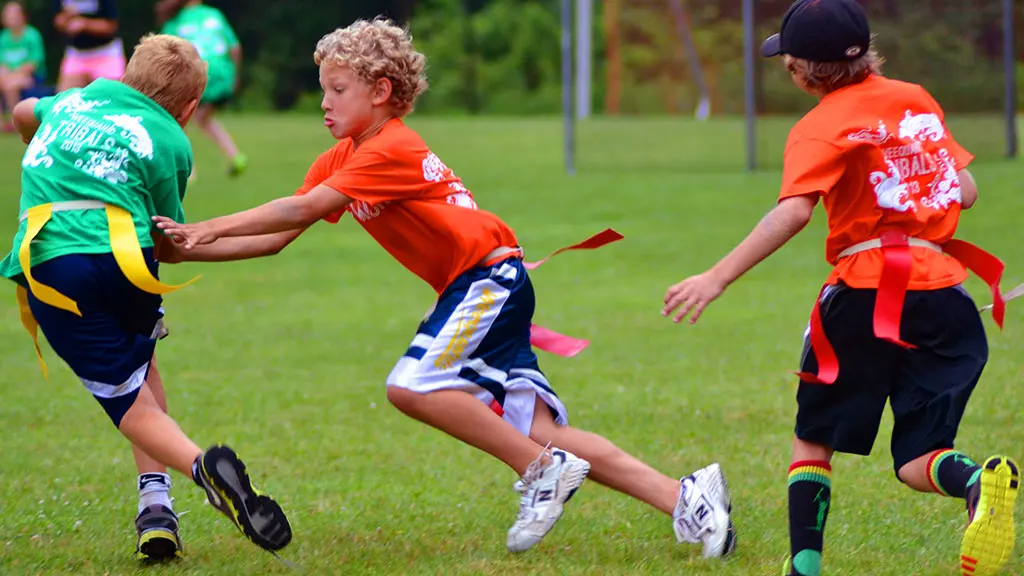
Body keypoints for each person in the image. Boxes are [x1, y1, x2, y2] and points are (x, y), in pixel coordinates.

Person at [153, 18, 736, 557]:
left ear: (380, 91)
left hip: (487, 281)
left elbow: (302, 205)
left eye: (337, 90)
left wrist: (202, 229)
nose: (324, 104)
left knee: (412, 385)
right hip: (485, 284)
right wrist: (183, 252)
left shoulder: (391, 145)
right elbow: (282, 234)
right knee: (540, 431)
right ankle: (688, 497)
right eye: (323, 89)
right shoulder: (344, 155)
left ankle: (541, 471)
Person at [660, 1, 1018, 575]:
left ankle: (804, 566)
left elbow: (794, 214)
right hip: (945, 294)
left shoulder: (819, 125)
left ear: (802, 71)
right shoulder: (916, 98)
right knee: (917, 458)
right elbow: (966, 190)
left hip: (866, 290)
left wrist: (716, 276)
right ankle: (976, 482)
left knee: (813, 438)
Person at [3, 33, 292, 561]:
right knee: (143, 360)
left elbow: (23, 111)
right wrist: (248, 246)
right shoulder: (173, 141)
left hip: (56, 259)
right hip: (128, 261)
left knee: (126, 401)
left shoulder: (77, 97)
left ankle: (202, 468)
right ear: (189, 107)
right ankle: (155, 508)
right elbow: (167, 241)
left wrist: (38, 137)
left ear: (128, 74)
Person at [157, 0, 247, 178]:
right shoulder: (214, 14)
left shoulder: (176, 20)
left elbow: (165, 53)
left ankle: (188, 171)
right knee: (202, 118)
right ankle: (235, 156)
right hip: (222, 74)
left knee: (178, 119)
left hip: (196, 71)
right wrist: (235, 77)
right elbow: (235, 48)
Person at [53, 0, 125, 92]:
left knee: (112, 96)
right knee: (64, 98)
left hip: (106, 52)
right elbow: (58, 21)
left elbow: (111, 26)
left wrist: (85, 24)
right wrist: (67, 16)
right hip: (76, 54)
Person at [0, 1, 46, 132]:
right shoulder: (4, 37)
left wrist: (13, 75)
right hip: (9, 76)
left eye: (14, 13)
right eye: (8, 14)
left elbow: (34, 63)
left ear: (22, 16)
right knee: (7, 82)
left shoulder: (31, 35)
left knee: (11, 86)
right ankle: (2, 124)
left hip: (31, 77)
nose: (11, 17)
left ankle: (17, 124)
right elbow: (2, 63)